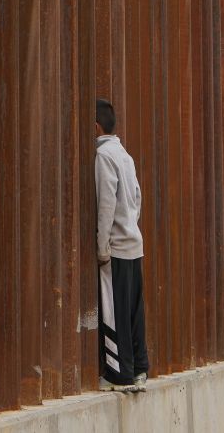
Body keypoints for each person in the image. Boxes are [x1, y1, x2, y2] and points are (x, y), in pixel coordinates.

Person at [95, 98, 150, 392]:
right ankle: (140, 369)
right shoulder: (125, 155)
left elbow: (105, 203)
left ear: (95, 127)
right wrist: (131, 225)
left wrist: (102, 246)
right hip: (133, 242)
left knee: (115, 310)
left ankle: (119, 375)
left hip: (115, 246)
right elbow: (137, 197)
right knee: (133, 311)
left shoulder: (103, 155)